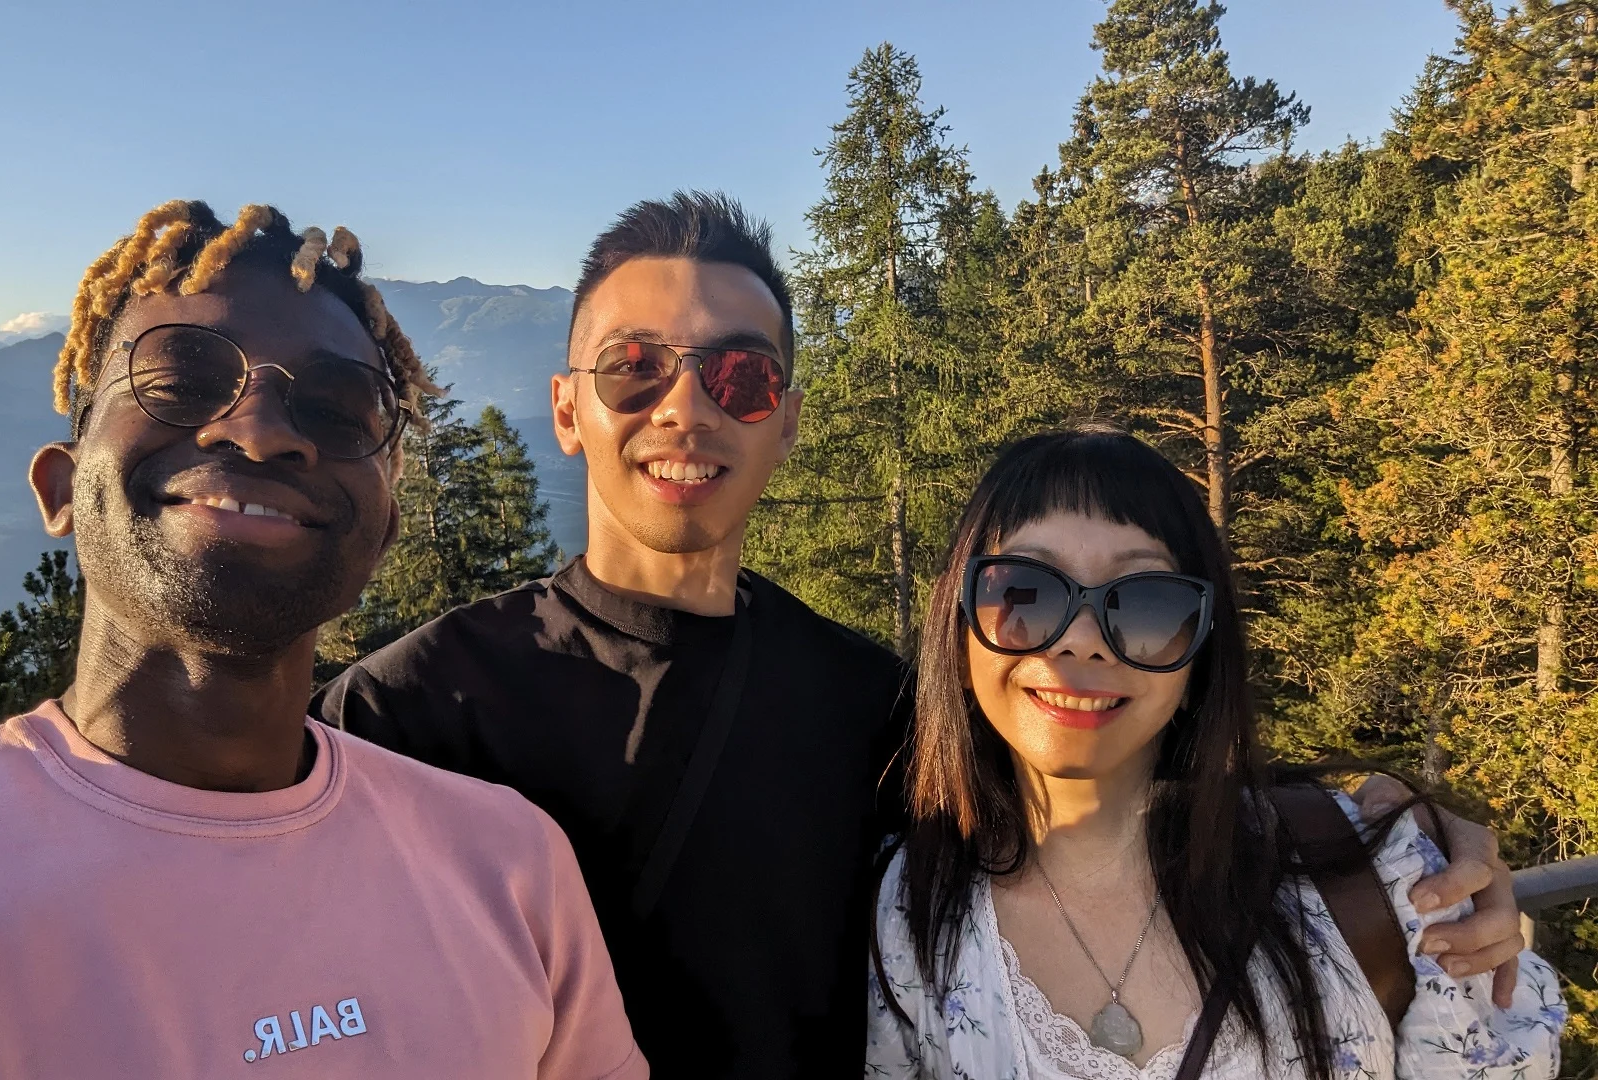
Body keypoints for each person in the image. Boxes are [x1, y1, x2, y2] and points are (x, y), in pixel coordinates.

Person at [316, 193, 1533, 1078]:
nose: (685, 406)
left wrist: (1389, 832)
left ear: (784, 419)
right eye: (636, 369)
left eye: (739, 376)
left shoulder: (868, 705)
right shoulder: (410, 712)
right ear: (569, 408)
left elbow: (1094, 780)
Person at [0, 201, 646, 1080]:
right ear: (61, 486)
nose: (263, 431)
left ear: (388, 524)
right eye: (182, 379)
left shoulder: (516, 873)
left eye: (339, 408)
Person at [867, 428, 1566, 1079]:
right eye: (1023, 592)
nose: (1080, 641)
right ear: (958, 640)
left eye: (1143, 604)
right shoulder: (907, 915)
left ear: (1199, 653)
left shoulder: (1385, 881)